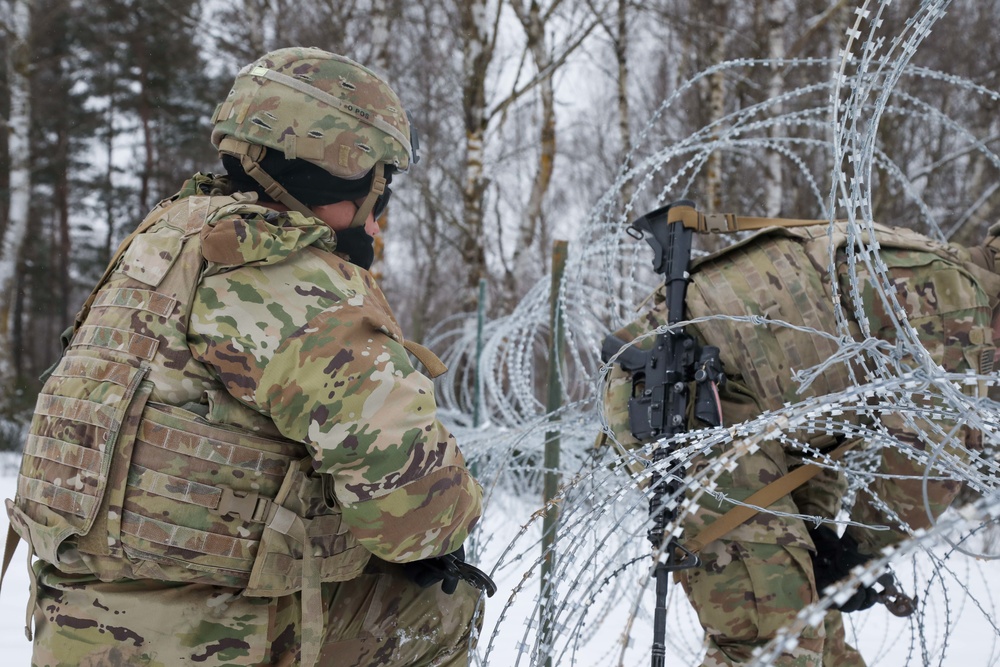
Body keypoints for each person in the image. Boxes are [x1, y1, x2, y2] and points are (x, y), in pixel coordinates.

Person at [4, 47, 489, 667]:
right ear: (342, 173)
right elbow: (420, 511)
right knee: (440, 604)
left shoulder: (163, 241)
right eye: (379, 194)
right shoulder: (283, 272)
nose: (375, 227)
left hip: (74, 624)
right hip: (208, 640)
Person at [599, 205, 1000, 667]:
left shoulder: (918, 257)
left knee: (811, 620)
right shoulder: (956, 301)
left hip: (727, 397)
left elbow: (827, 405)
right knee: (775, 640)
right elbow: (929, 462)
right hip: (684, 395)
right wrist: (861, 555)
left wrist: (829, 540)